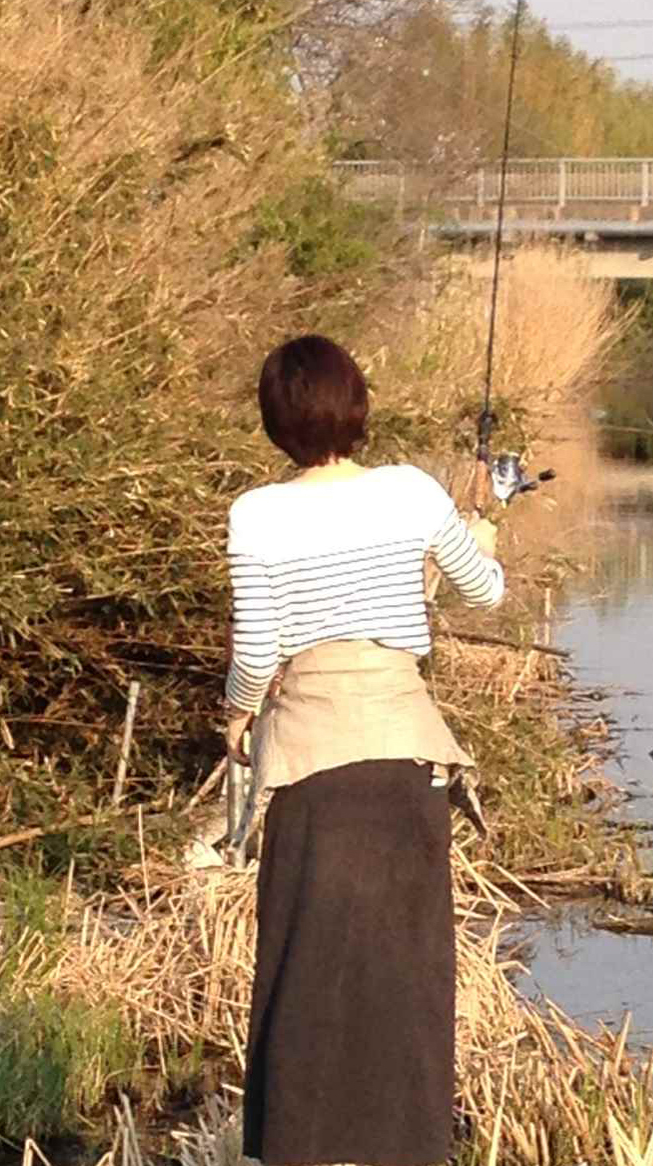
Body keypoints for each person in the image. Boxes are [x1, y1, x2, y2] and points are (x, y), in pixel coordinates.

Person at [222, 334, 504, 1166]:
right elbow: (485, 593)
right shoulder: (414, 494)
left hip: (312, 768)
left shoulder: (256, 514)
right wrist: (479, 533)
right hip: (405, 766)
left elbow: (256, 652)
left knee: (299, 973)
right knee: (408, 984)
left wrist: (232, 717)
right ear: (358, 406)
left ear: (275, 423)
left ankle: (295, 1149)